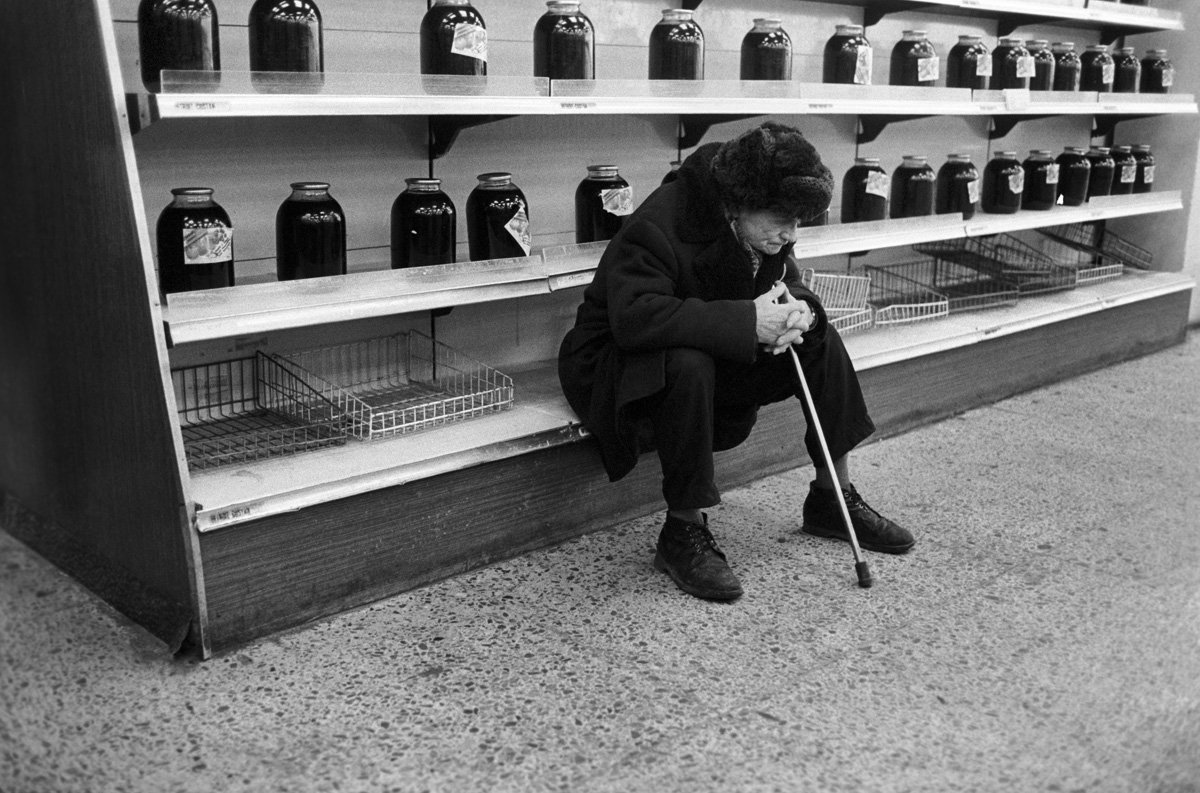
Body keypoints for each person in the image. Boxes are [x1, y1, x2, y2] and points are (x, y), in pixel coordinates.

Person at [557, 121, 914, 601]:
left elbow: (787, 279)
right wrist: (748, 321)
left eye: (799, 221)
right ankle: (683, 530)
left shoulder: (764, 226)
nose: (791, 233)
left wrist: (800, 311)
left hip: (711, 350)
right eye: (782, 218)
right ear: (738, 202)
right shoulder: (660, 221)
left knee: (818, 338)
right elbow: (635, 318)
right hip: (619, 366)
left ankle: (833, 496)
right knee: (687, 361)